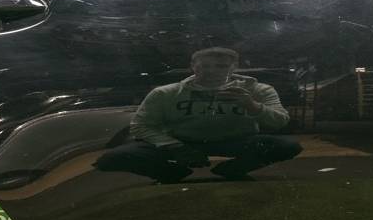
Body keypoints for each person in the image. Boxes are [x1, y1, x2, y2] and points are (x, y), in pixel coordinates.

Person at [93, 47, 302, 183]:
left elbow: (280, 121)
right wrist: (174, 146)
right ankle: (171, 173)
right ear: (193, 67)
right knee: (111, 159)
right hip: (182, 141)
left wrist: (252, 105)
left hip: (236, 140)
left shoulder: (257, 90)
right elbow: (140, 126)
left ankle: (232, 169)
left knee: (288, 146)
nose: (212, 71)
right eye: (205, 66)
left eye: (221, 66)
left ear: (234, 67)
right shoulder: (166, 93)